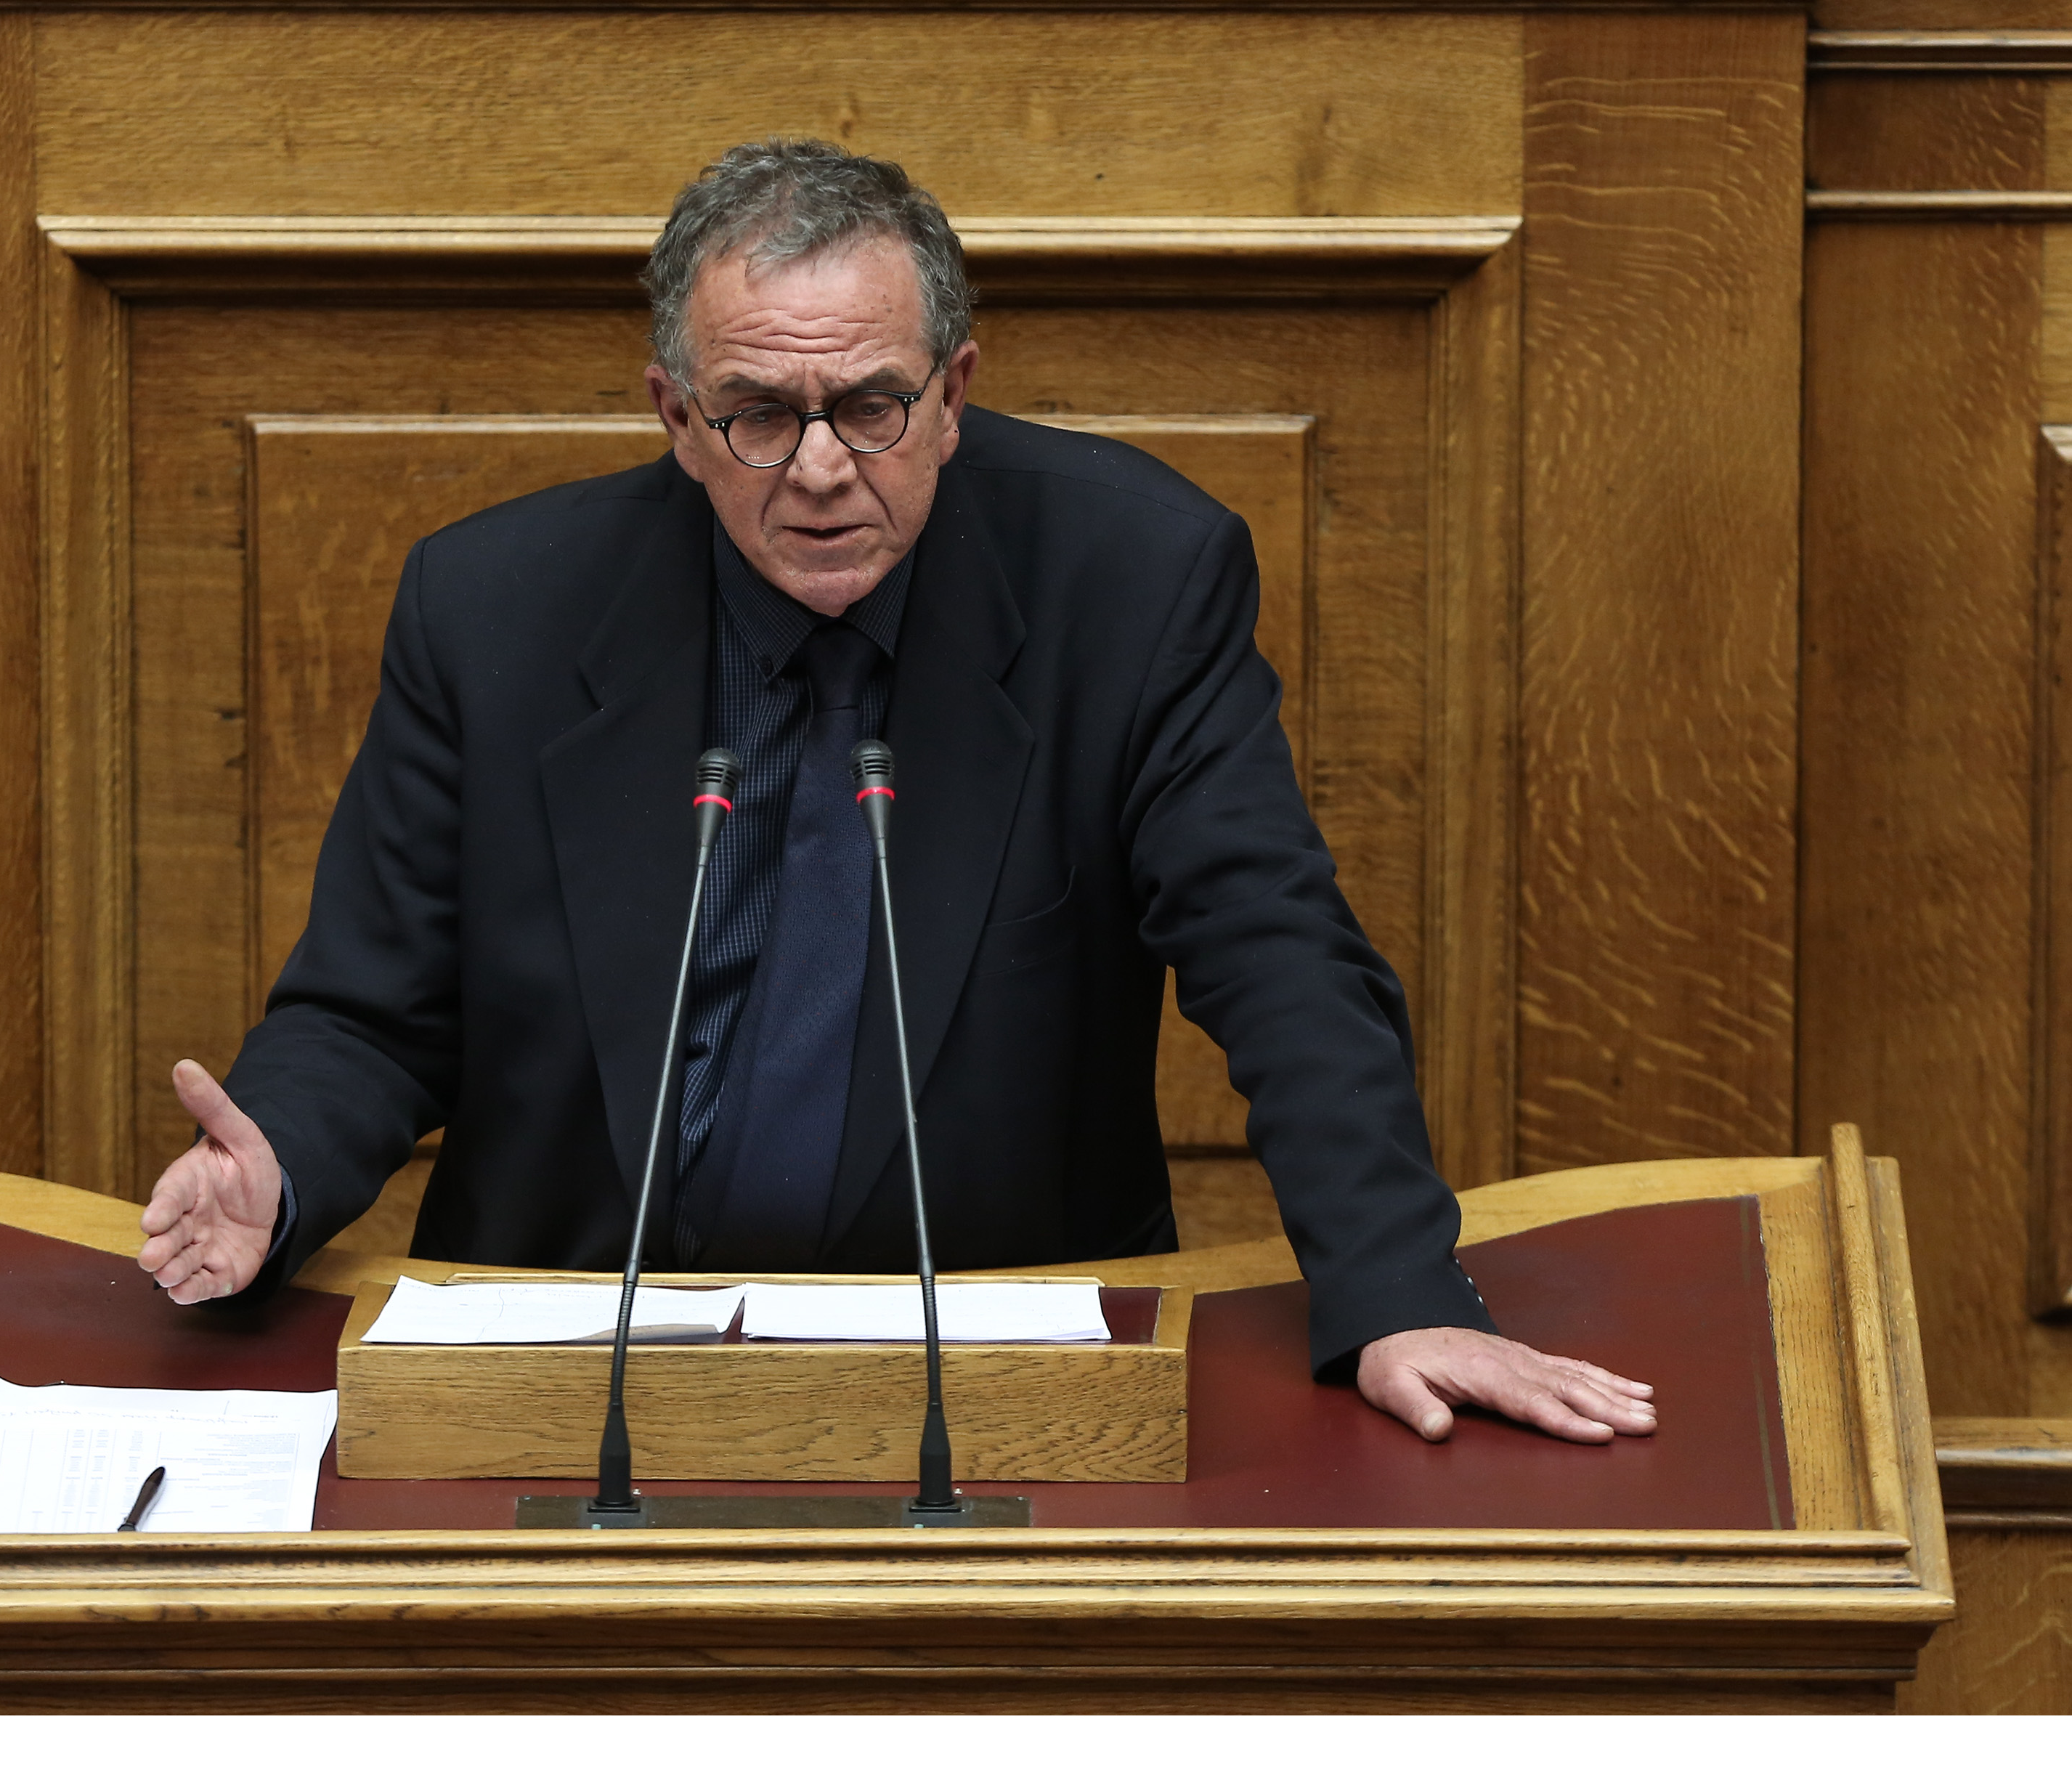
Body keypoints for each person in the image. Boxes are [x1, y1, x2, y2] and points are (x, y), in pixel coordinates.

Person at [138, 139, 1655, 1447]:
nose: (817, 468)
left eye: (869, 404)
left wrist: (1394, 1292)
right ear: (673, 415)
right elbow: (372, 1008)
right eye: (756, 413)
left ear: (953, 391)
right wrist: (281, 1162)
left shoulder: (1130, 582)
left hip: (995, 1360)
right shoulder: (497, 608)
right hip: (567, 1356)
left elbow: (1277, 955)